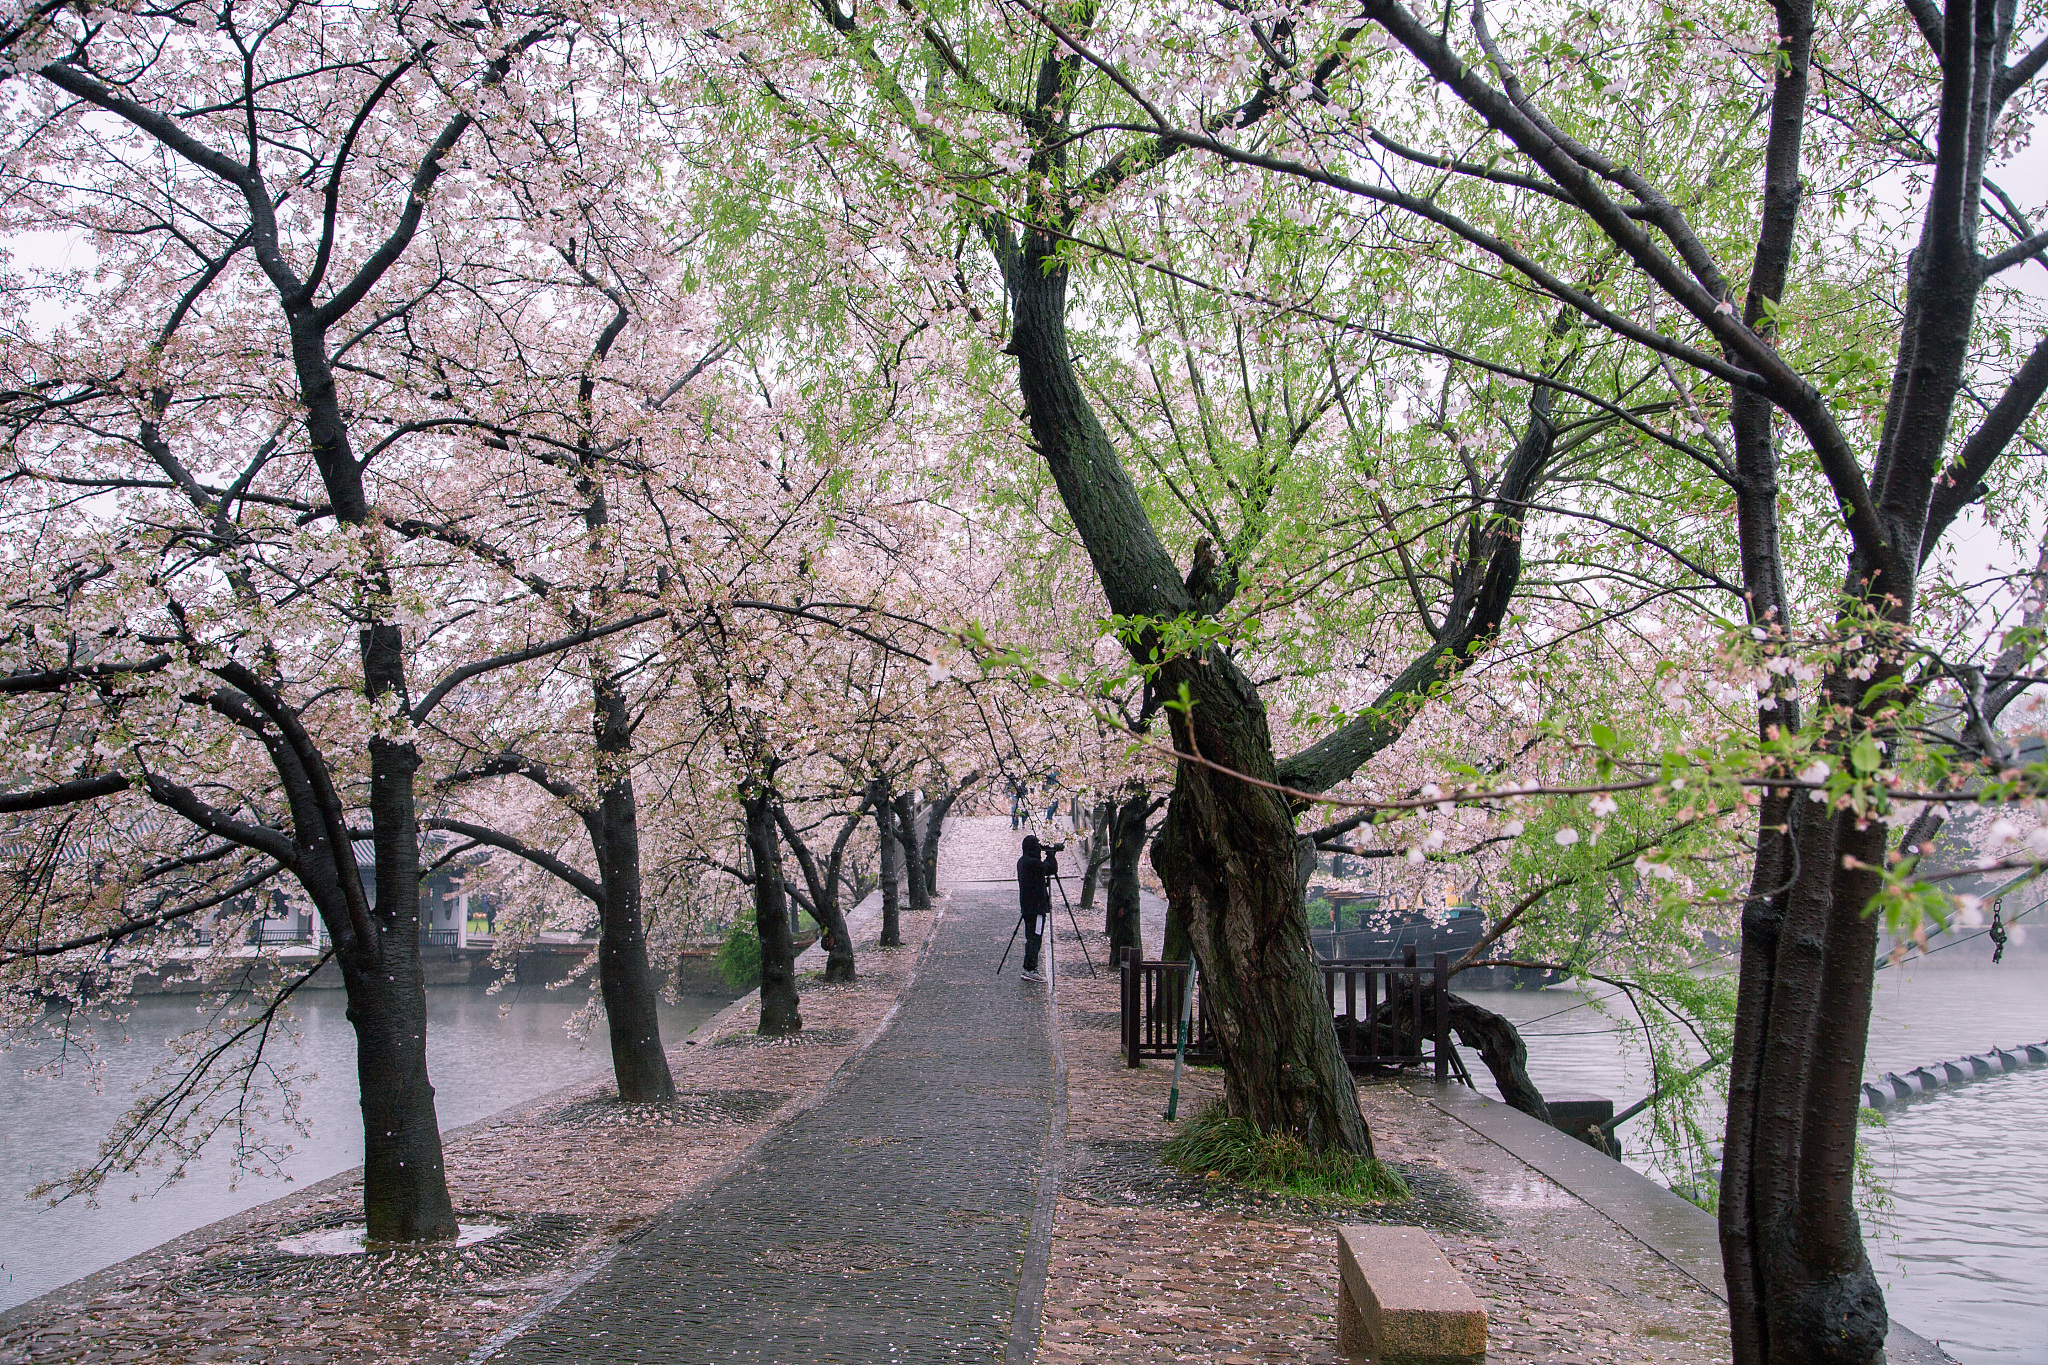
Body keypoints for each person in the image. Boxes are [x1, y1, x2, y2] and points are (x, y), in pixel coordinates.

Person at [1015, 834, 1060, 982]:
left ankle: (1029, 968)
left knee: (1031, 936)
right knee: (1035, 937)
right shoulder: (1033, 864)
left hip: (1027, 907)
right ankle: (1030, 969)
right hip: (1037, 907)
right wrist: (1051, 854)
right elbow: (1051, 868)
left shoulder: (1022, 862)